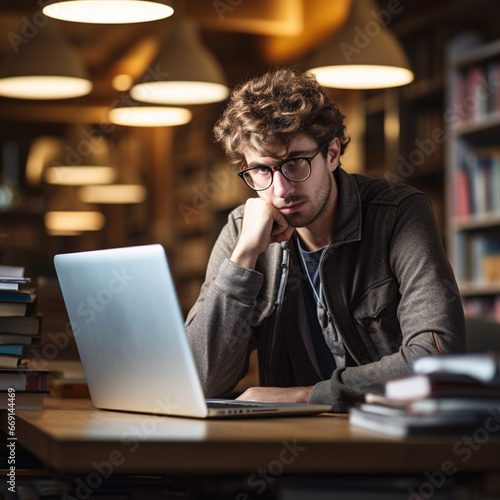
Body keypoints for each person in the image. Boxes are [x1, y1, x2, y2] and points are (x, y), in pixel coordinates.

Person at [185, 67, 466, 412]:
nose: (281, 190)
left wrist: (308, 395)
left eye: (296, 163)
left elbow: (436, 359)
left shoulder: (398, 214)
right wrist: (243, 258)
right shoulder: (242, 230)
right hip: (286, 448)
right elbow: (198, 379)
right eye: (261, 169)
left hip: (382, 440)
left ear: (332, 153)